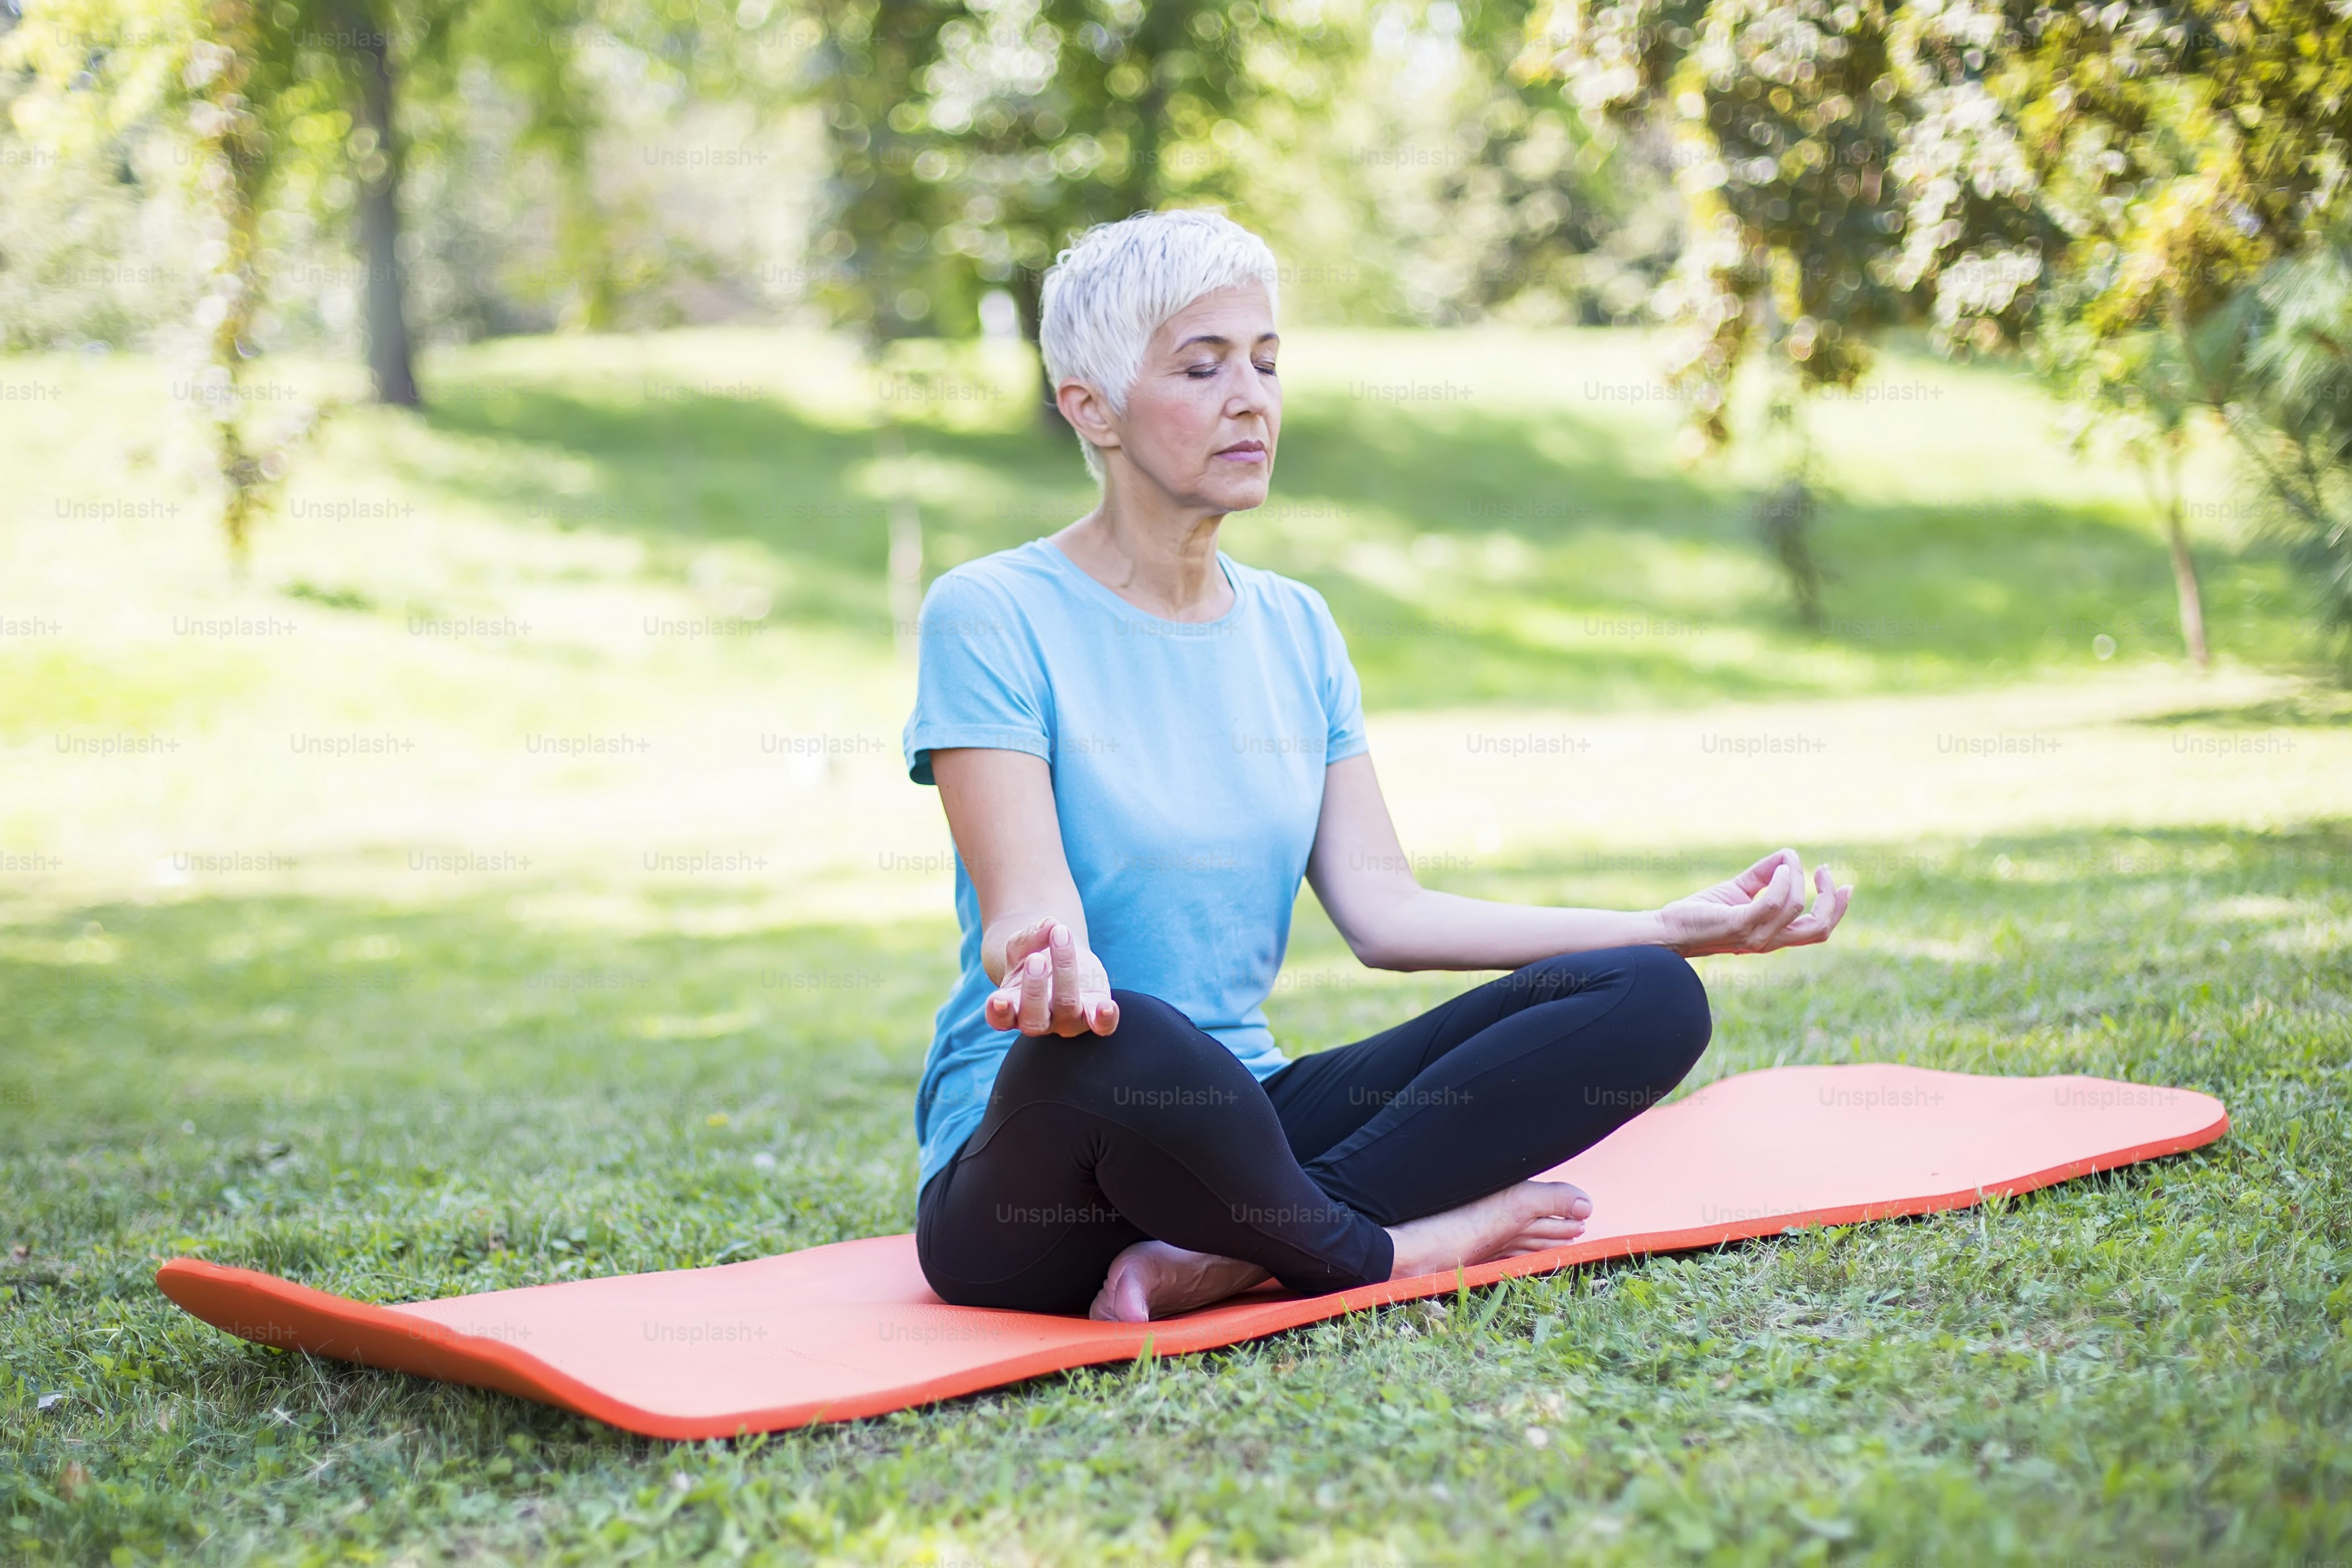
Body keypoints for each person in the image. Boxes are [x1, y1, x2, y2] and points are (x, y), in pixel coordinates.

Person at [901, 209, 1852, 1323]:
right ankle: (1395, 1249)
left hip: (1248, 1129)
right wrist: (1052, 968)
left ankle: (1226, 1259)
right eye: (1201, 368)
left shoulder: (1296, 628)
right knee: (1132, 1040)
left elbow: (1386, 913)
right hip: (1043, 1175)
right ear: (1091, 408)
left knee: (1645, 998)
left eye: (1265, 362)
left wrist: (1666, 926)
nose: (1250, 397)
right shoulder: (991, 612)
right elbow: (1033, 914)